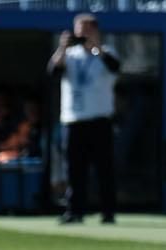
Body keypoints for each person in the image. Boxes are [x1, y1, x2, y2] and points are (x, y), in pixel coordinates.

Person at [50, 14, 120, 225]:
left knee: (104, 168)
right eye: (78, 32)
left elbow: (115, 67)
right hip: (73, 119)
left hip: (99, 119)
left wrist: (94, 47)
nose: (81, 36)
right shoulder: (69, 55)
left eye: (86, 31)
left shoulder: (106, 52)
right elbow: (52, 72)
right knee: (74, 169)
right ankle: (75, 210)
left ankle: (108, 211)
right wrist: (62, 47)